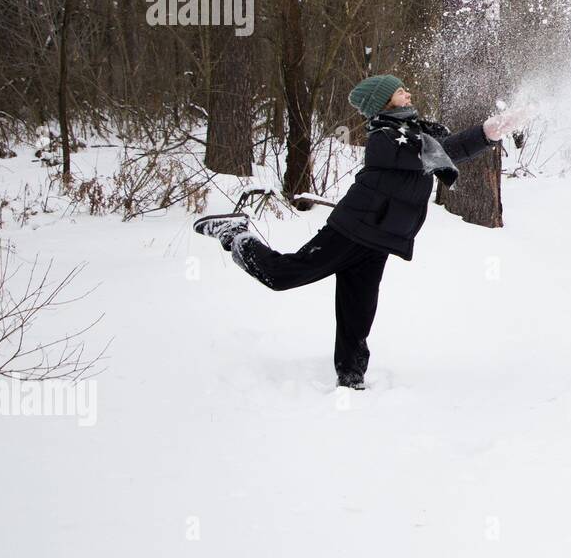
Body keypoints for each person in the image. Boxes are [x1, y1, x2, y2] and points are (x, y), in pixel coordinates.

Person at [193, 74, 530, 389]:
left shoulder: (417, 132)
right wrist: (486, 132)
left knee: (359, 310)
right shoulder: (384, 138)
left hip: (381, 237)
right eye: (400, 91)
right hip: (354, 229)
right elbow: (437, 154)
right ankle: (235, 234)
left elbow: (447, 149)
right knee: (283, 275)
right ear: (384, 101)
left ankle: (352, 377)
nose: (408, 93)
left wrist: (489, 132)